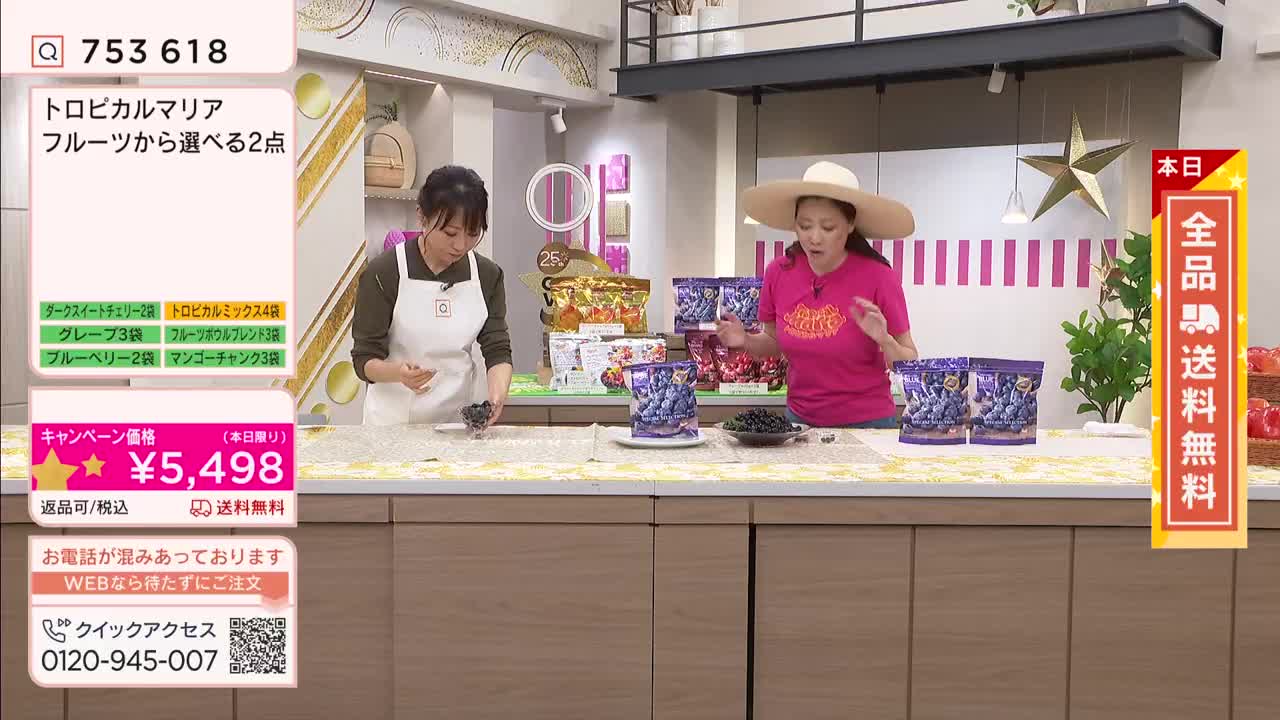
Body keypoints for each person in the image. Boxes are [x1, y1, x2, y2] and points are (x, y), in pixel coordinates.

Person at [716, 161, 919, 428]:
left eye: (827, 227)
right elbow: (774, 343)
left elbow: (910, 361)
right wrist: (744, 340)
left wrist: (885, 340)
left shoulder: (879, 277)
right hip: (800, 425)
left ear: (849, 225)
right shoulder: (778, 272)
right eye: (805, 225)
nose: (814, 237)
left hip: (867, 425)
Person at [352, 165, 513, 425]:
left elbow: (497, 348)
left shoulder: (487, 275)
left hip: (457, 424)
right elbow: (363, 359)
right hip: (392, 425)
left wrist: (497, 394)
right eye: (450, 233)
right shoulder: (385, 272)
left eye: (472, 234)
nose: (461, 245)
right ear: (422, 218)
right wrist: (398, 373)